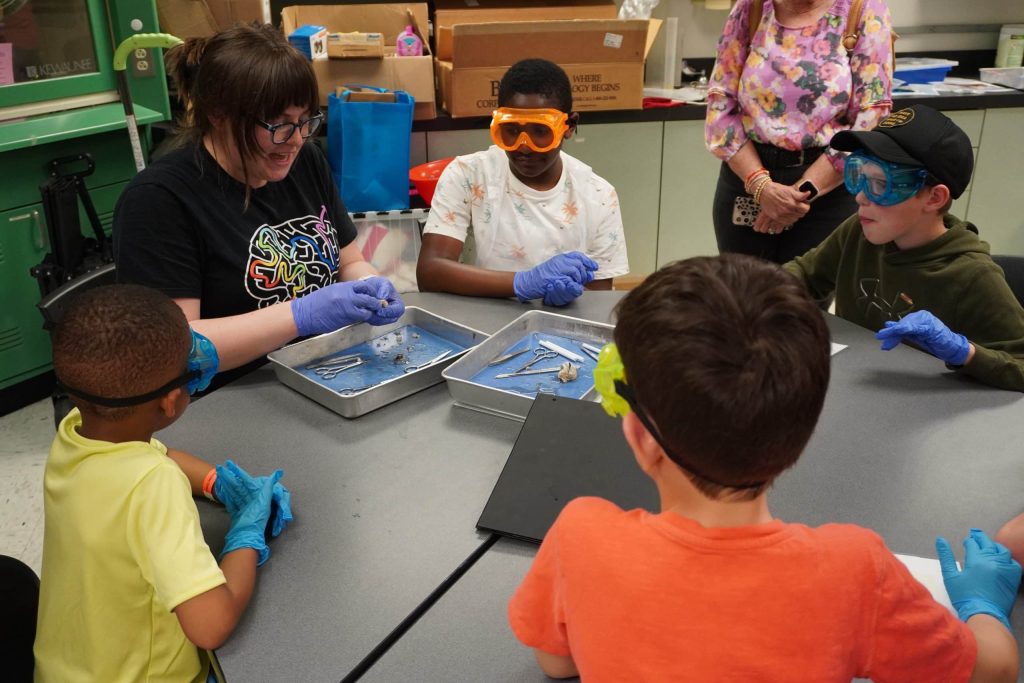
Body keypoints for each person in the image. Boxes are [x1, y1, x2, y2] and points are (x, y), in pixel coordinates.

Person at [508, 254, 1021, 681]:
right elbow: (993, 671)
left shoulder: (581, 535)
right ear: (805, 431)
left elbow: (556, 662)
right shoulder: (855, 572)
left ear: (639, 436)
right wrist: (982, 604)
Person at [113, 24, 403, 390]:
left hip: (322, 373)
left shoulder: (306, 162)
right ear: (219, 114)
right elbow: (179, 350)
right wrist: (302, 315)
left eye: (306, 121)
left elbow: (348, 261)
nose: (295, 140)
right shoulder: (160, 200)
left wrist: (369, 286)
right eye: (279, 125)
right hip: (229, 397)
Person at [34, 284, 294, 682]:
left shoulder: (77, 432)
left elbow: (161, 454)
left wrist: (215, 481)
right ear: (171, 401)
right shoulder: (154, 486)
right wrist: (246, 533)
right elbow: (211, 626)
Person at [784, 105, 1024, 391]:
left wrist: (965, 353)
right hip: (857, 387)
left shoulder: (973, 276)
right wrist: (746, 292)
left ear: (934, 197)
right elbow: (803, 275)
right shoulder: (859, 231)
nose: (860, 196)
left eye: (880, 184)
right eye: (859, 176)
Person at [417, 58, 628, 306]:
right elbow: (430, 272)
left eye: (540, 131)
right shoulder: (468, 175)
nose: (524, 146)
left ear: (569, 126)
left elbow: (598, 299)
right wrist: (522, 283)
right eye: (511, 130)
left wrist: (569, 299)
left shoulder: (599, 195)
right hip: (478, 317)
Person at [705, 0, 894, 263]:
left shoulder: (863, 9)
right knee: (739, 294)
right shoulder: (752, 8)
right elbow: (720, 104)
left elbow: (872, 116)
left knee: (804, 298)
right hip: (747, 178)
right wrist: (763, 187)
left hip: (827, 189)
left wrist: (799, 194)